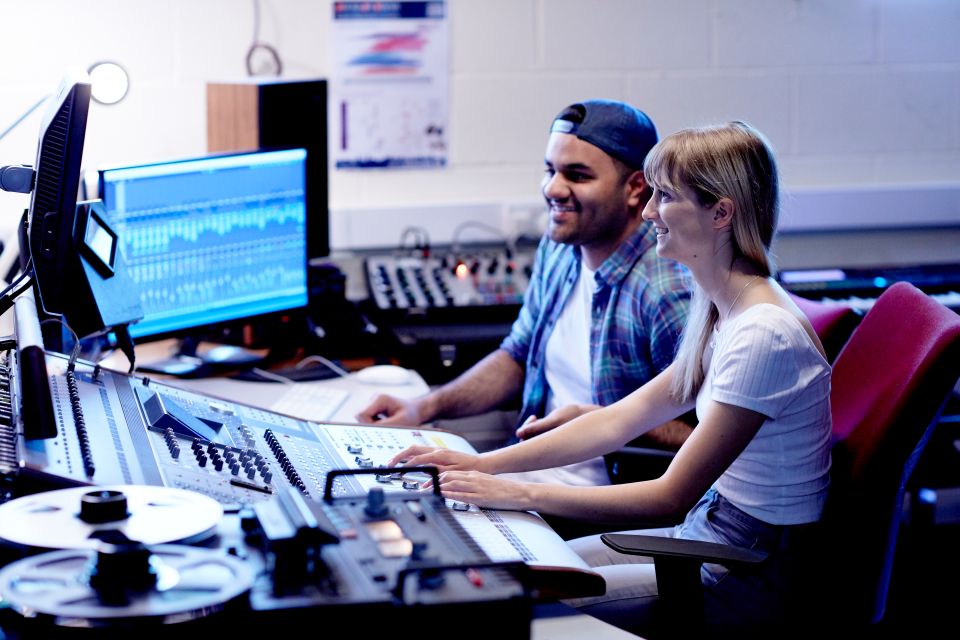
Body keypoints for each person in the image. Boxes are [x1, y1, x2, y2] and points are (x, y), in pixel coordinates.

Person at [386, 121, 832, 634]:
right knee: (521, 575)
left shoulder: (763, 334)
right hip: (707, 534)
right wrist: (484, 464)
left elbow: (669, 496)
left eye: (664, 197)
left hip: (742, 572)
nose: (647, 213)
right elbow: (618, 420)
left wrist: (515, 493)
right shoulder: (724, 307)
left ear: (720, 213)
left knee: (521, 608)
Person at [357, 99, 692, 487]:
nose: (553, 188)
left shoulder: (668, 292)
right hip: (528, 477)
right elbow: (517, 355)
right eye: (550, 170)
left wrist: (607, 421)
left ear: (635, 187)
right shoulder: (562, 247)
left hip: (602, 505)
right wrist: (422, 407)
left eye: (577, 176)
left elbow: (717, 440)